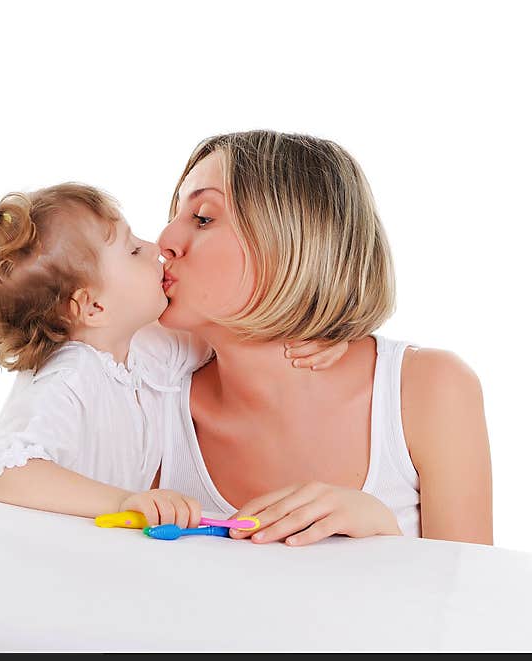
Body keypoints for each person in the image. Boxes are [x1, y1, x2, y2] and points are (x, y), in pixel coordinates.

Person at [156, 130, 494, 546]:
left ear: (294, 237)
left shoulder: (428, 390)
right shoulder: (150, 401)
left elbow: (473, 599)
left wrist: (383, 532)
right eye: (173, 217)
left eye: (203, 217)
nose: (164, 241)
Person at [0, 182, 346, 527]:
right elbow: (8, 471)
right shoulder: (70, 376)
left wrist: (317, 331)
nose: (155, 247)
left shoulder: (143, 351)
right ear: (93, 307)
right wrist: (122, 502)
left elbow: (230, 335)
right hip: (59, 561)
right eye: (133, 250)